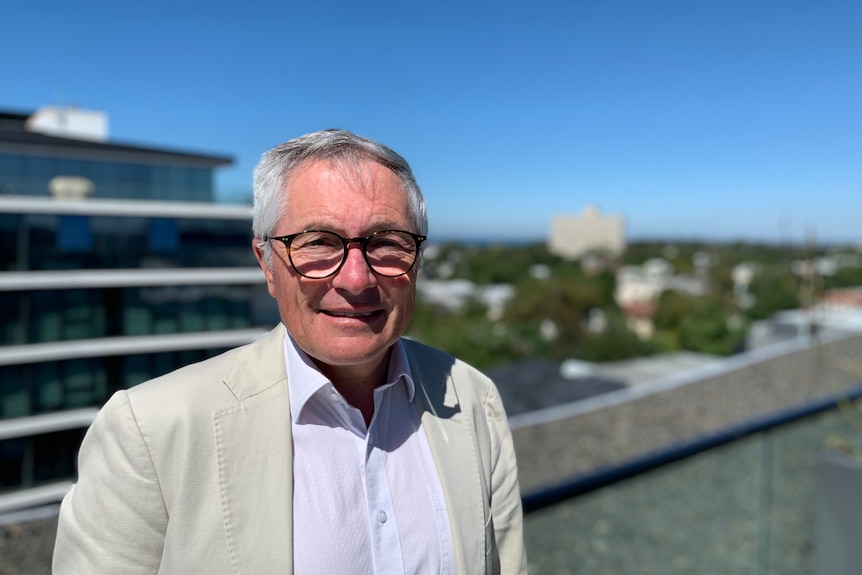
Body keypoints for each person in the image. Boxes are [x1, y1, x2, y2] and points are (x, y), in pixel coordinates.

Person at [53, 129, 527, 574]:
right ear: (267, 264)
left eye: (386, 242)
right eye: (318, 242)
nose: (356, 279)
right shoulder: (151, 431)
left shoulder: (472, 400)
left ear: (417, 259)